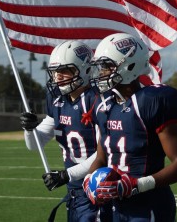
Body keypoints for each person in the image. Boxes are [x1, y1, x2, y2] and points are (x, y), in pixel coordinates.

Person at [83, 33, 177, 221]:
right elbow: (102, 158)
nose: (101, 73)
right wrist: (89, 179)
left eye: (107, 67)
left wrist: (137, 185)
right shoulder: (105, 108)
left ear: (130, 66)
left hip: (148, 204)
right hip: (115, 206)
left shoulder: (150, 101)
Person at [20, 41, 110, 222]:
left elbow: (104, 154)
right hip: (74, 191)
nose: (58, 77)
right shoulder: (58, 101)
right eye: (55, 71)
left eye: (65, 70)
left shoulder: (97, 100)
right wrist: (29, 129)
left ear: (84, 70)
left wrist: (67, 174)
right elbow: (34, 145)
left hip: (96, 188)